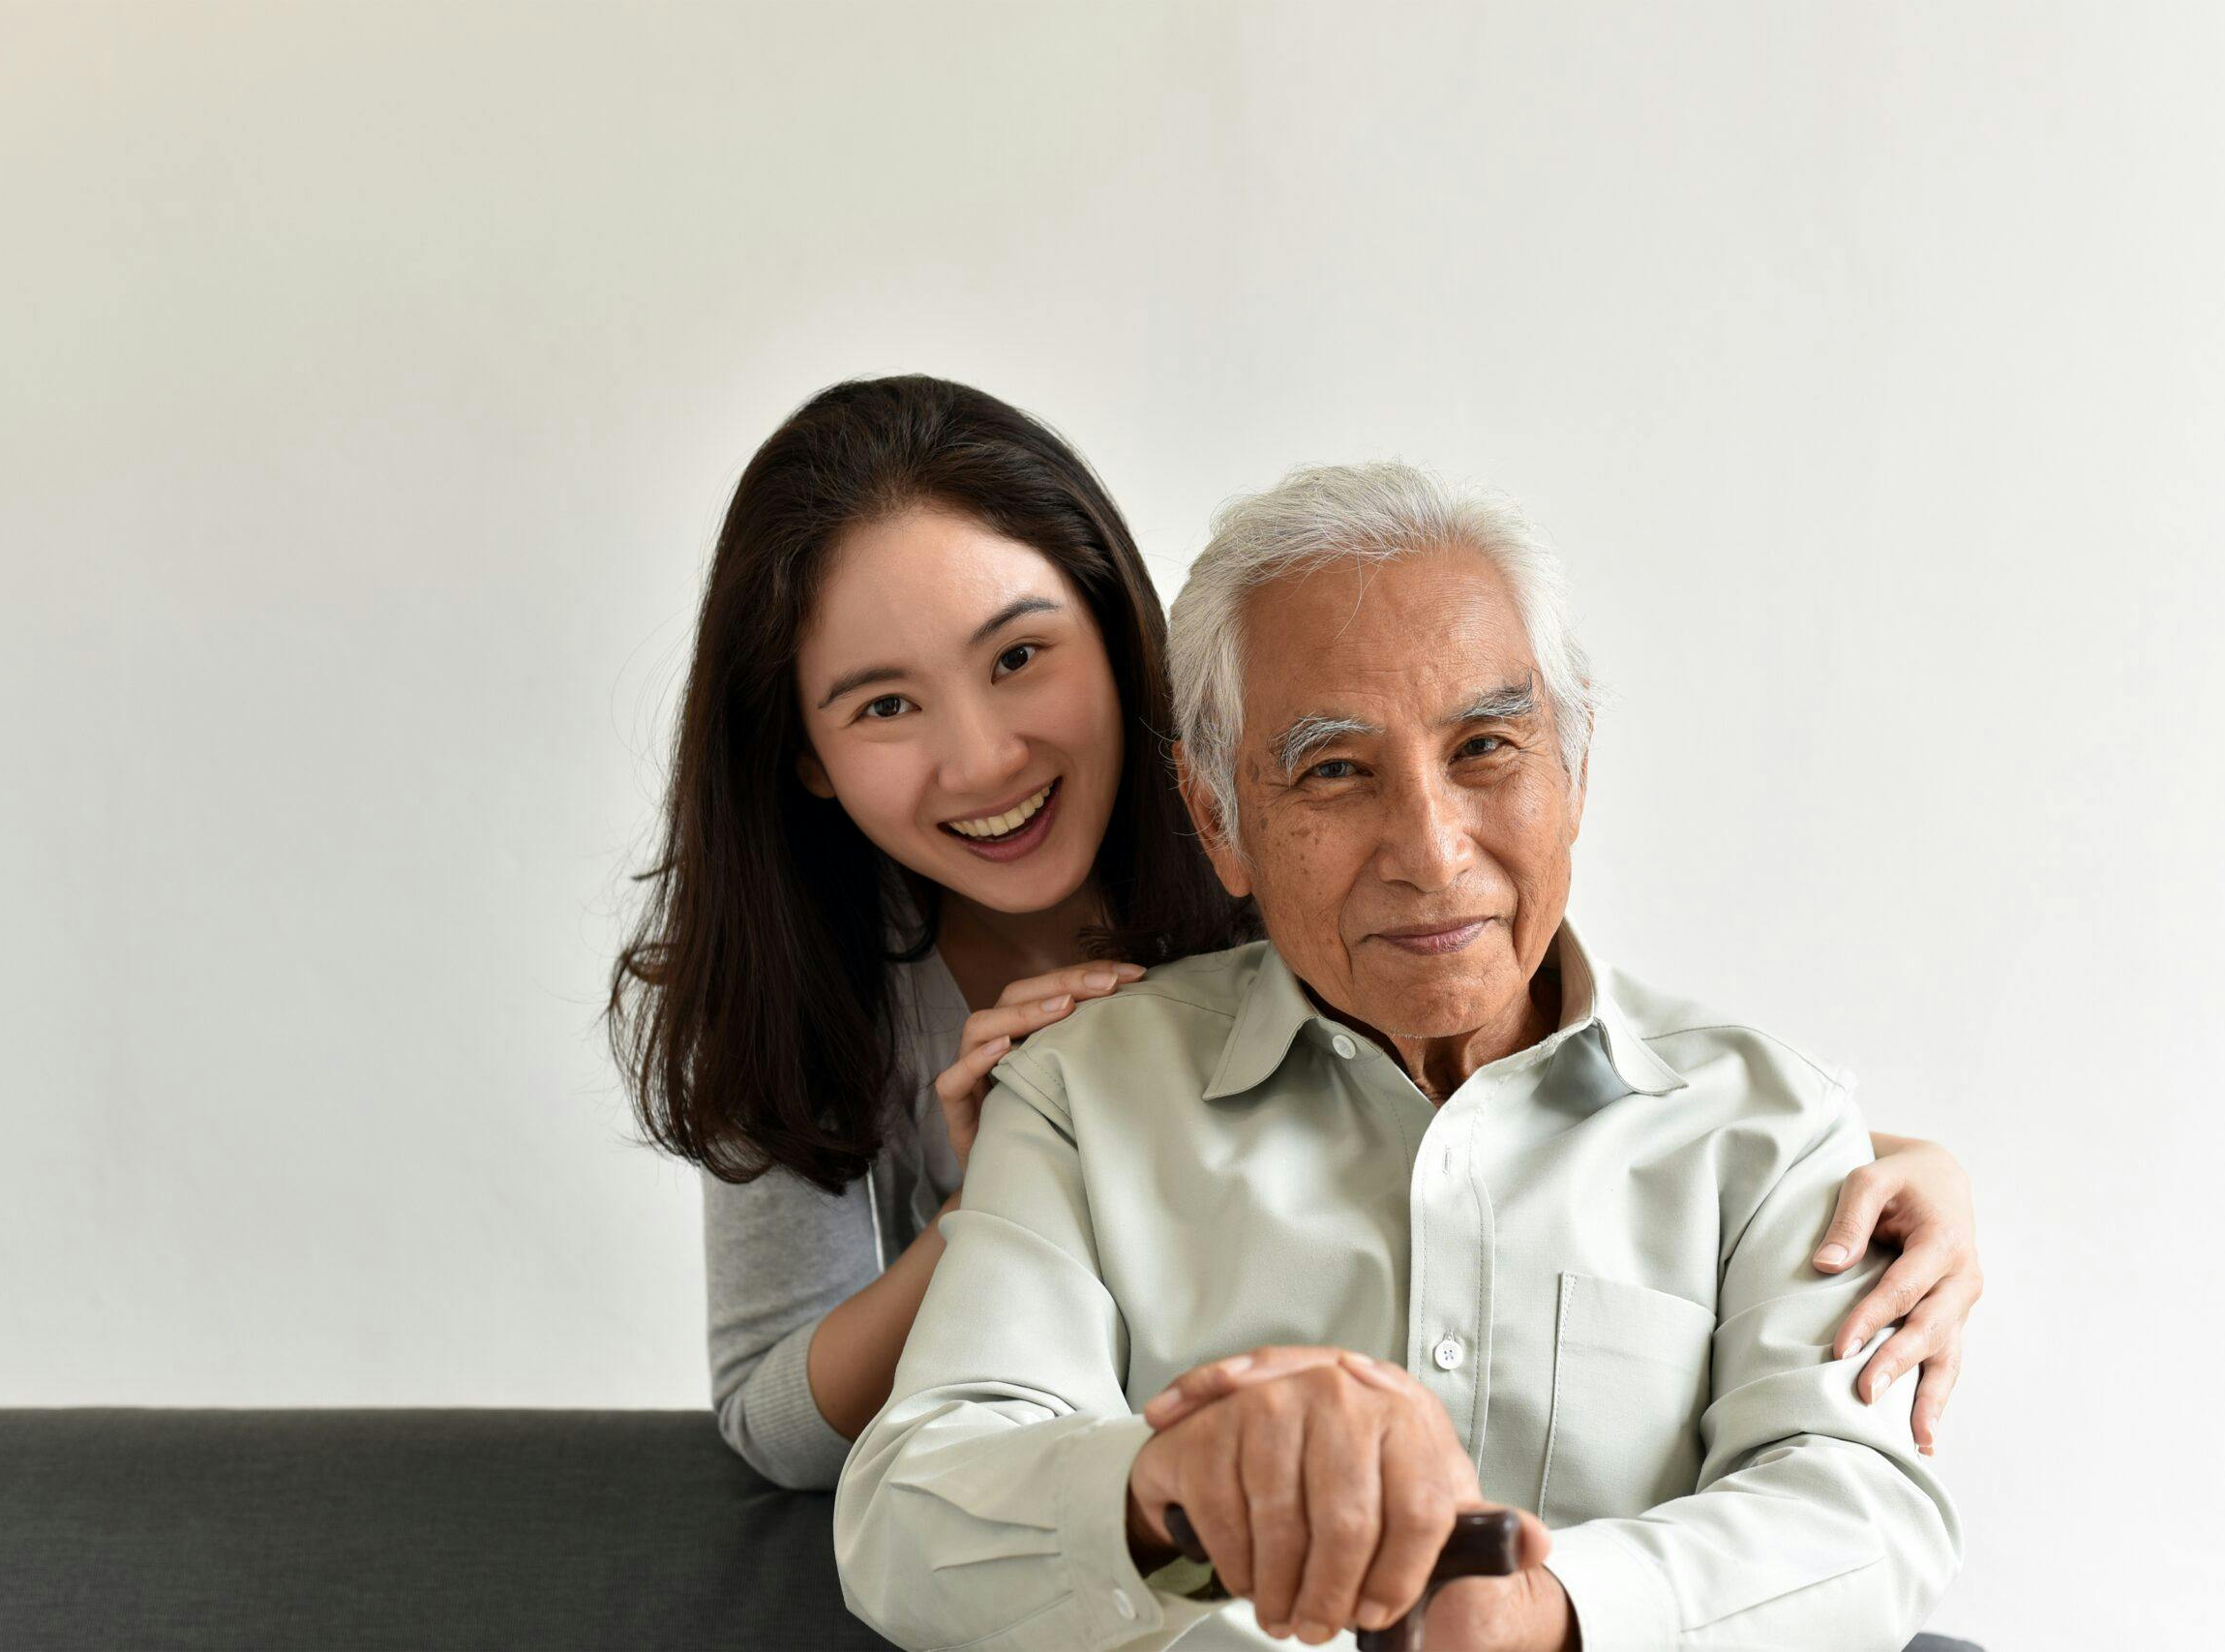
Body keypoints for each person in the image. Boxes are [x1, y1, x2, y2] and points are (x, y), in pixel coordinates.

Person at [606, 376, 1984, 1503]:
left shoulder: (1317, 867)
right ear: (801, 756)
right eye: (884, 706)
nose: (982, 755)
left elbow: (1567, 1091)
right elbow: (782, 1421)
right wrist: (997, 1208)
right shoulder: (810, 992)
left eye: (1020, 655)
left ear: (1115, 631)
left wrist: (1885, 1168)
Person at [833, 462, 1962, 1652]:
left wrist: (1548, 1611)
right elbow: (909, 1516)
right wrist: (1164, 1485)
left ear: (1571, 775)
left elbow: (1862, 1514)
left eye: (1484, 746)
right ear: (1217, 819)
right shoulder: (1078, 1093)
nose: (1429, 850)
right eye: (1334, 771)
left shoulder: (1770, 1124)